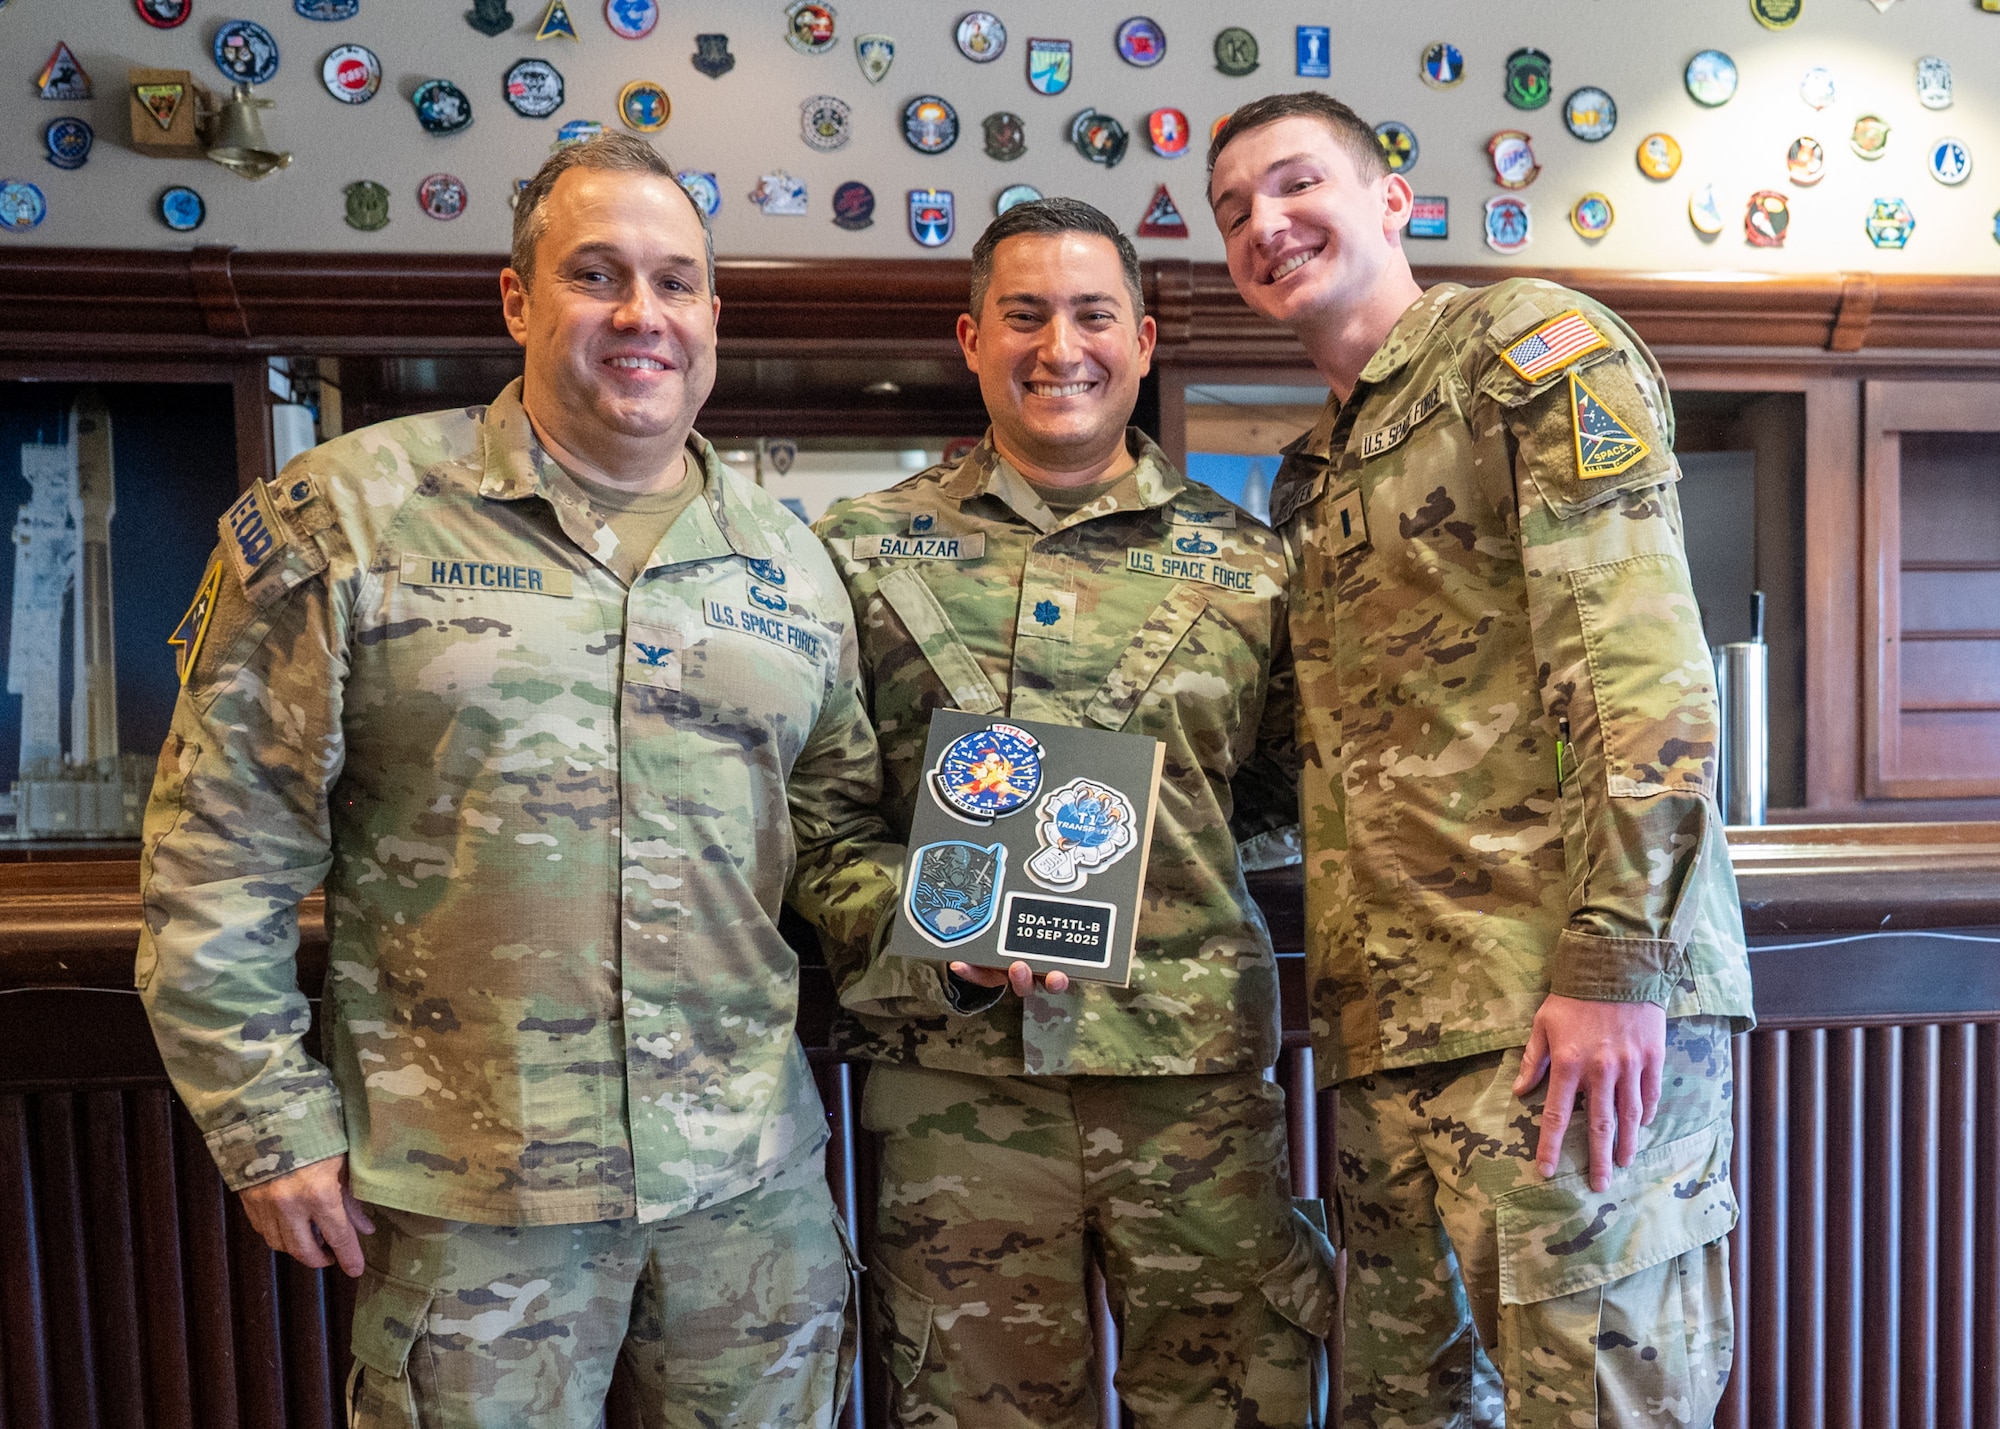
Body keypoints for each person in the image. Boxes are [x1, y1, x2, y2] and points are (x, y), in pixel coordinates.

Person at [136, 133, 896, 1428]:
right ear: (517, 300)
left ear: (716, 311)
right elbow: (220, 845)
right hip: (474, 1200)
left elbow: (831, 837)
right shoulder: (353, 516)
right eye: (597, 275)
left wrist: (972, 919)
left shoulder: (793, 566)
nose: (641, 314)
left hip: (748, 1199)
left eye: (674, 280)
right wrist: (266, 1118)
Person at [1206, 94, 1755, 1428]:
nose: (1266, 225)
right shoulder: (1314, 473)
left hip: (1556, 1028)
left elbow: (1639, 676)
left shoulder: (1520, 353)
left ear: (1393, 198)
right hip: (1387, 1045)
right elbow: (1308, 771)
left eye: (1296, 185)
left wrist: (1615, 963)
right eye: (1233, 214)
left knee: (1599, 1406)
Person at [797, 198, 1337, 1429]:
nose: (1060, 347)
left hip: (1190, 1088)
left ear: (1142, 340)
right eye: (1023, 315)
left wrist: (1149, 863)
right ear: (970, 337)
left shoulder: (1250, 567)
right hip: (956, 1098)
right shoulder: (858, 553)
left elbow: (1276, 797)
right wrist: (940, 919)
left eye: (1093, 314)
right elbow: (814, 822)